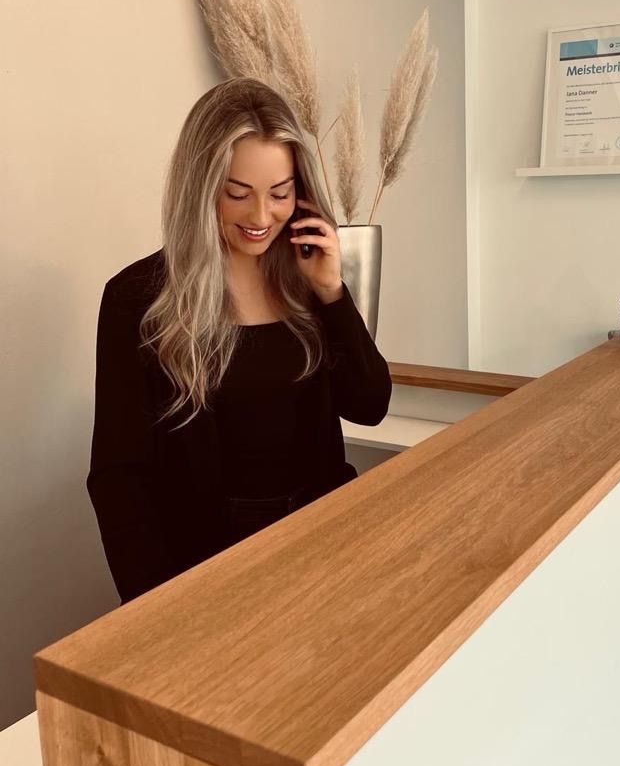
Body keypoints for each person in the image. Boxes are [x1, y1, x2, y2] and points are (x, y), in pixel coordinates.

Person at [86, 78, 391, 604]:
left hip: (324, 547)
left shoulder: (307, 280)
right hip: (207, 568)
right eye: (238, 193)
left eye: (280, 193)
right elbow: (119, 478)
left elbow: (369, 406)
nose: (261, 217)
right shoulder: (136, 298)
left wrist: (331, 293)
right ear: (200, 186)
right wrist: (156, 608)